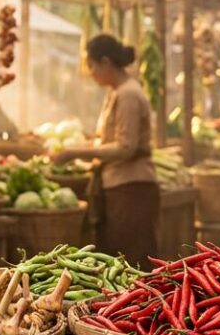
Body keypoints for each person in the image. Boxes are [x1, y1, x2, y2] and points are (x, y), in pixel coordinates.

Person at [50, 35, 158, 267]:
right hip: (119, 185)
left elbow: (125, 147)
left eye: (92, 66)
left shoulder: (128, 94)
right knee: (119, 259)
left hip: (131, 188)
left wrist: (74, 153)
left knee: (130, 260)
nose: (91, 72)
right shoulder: (117, 91)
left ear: (106, 62)